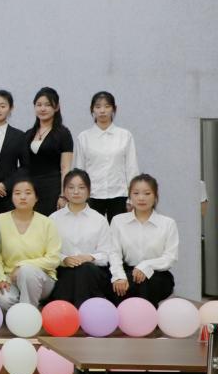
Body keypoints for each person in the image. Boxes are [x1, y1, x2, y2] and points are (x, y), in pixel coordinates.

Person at [48, 169, 122, 307]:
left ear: (89, 191)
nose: (76, 192)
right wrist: (64, 259)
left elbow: (106, 254)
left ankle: (78, 309)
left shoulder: (99, 220)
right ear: (64, 191)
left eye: (81, 187)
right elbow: (48, 251)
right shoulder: (53, 219)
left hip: (93, 273)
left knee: (85, 269)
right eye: (71, 187)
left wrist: (90, 257)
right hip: (64, 271)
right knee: (71, 273)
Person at [0, 178, 61, 311]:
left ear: (36, 198)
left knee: (27, 271)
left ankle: (28, 314)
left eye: (28, 193)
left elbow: (54, 259)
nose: (23, 197)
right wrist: (0, 278)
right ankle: (30, 307)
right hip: (10, 279)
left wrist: (22, 266)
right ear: (12, 197)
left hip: (41, 279)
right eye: (17, 193)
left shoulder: (48, 223)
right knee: (3, 300)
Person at [109, 174, 177, 305]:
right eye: (136, 193)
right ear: (130, 196)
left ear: (155, 196)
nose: (141, 198)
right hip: (127, 273)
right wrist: (119, 276)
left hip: (158, 275)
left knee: (146, 282)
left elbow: (170, 257)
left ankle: (147, 314)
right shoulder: (118, 221)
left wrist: (145, 265)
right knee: (122, 287)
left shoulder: (168, 223)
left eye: (147, 193)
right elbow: (114, 253)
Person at [73, 91, 139, 222]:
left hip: (119, 195)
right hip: (92, 196)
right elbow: (79, 170)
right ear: (92, 109)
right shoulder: (84, 137)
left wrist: (132, 197)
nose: (102, 111)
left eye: (107, 106)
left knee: (118, 231)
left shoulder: (125, 136)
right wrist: (80, 197)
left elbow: (132, 168)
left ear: (114, 109)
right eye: (98, 107)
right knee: (92, 231)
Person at [25, 87, 73, 216]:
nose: (42, 109)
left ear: (56, 107)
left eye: (47, 105)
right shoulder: (29, 134)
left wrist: (63, 195)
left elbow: (65, 167)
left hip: (53, 188)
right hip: (31, 189)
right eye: (39, 105)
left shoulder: (63, 134)